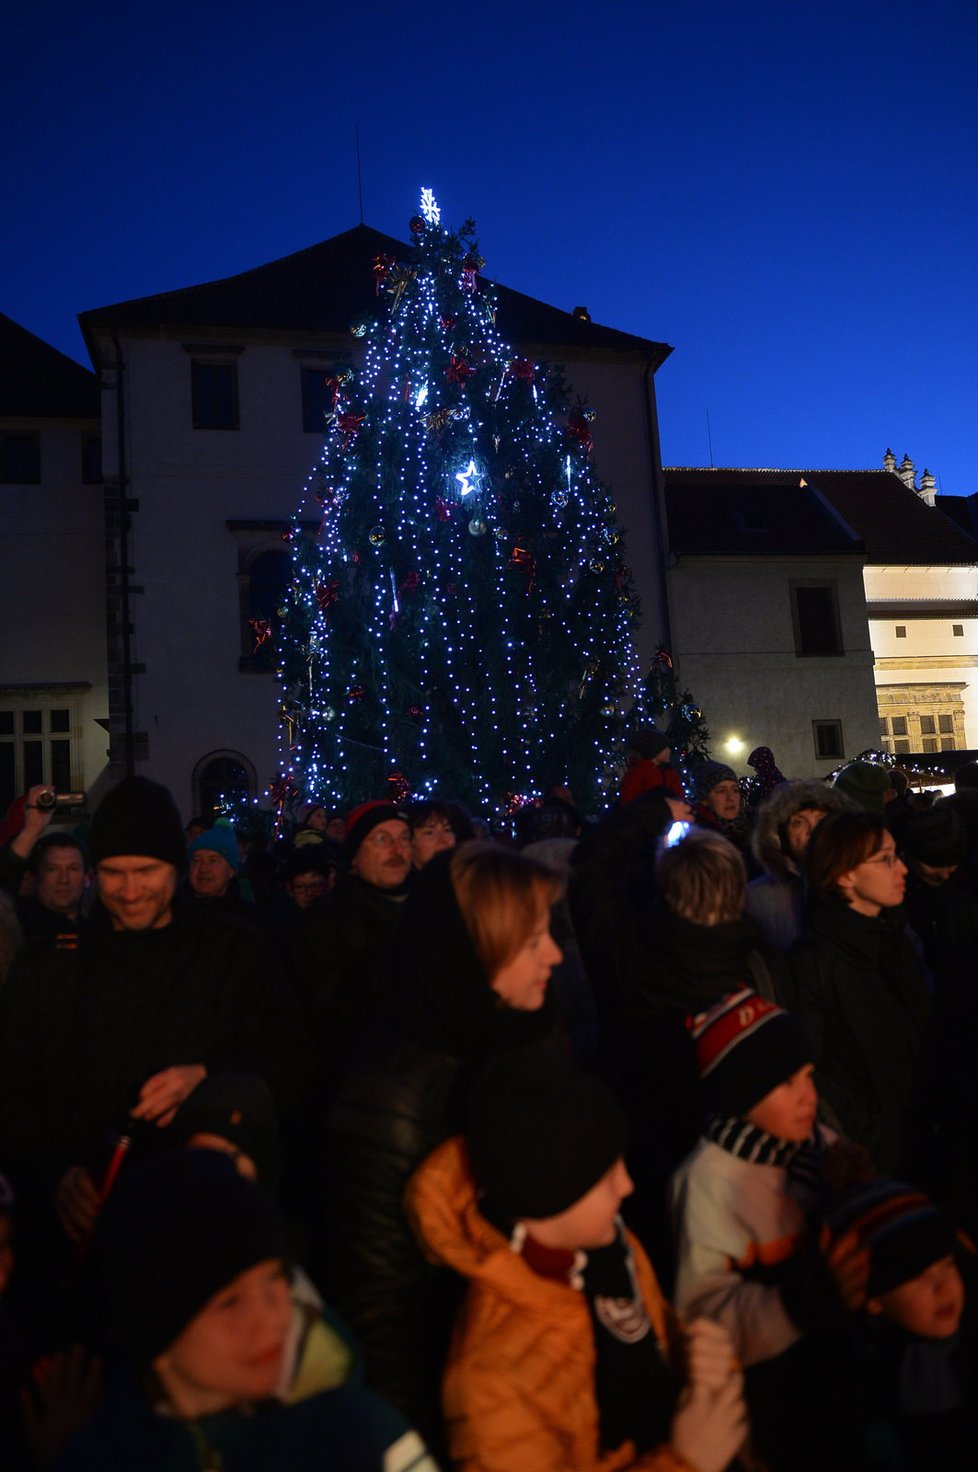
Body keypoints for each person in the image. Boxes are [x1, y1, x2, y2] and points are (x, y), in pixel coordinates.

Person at [0, 776, 310, 1250]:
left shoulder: (234, 951)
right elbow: (15, 1091)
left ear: (175, 869)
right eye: (113, 873)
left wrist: (208, 1078)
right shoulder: (52, 965)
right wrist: (53, 1178)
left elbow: (290, 1062)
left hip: (204, 1223)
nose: (129, 890)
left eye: (145, 871)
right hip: (84, 1235)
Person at [324, 844, 564, 1445]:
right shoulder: (395, 1094)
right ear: (476, 952)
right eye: (533, 942)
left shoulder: (524, 1035)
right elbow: (381, 1310)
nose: (555, 956)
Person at [406, 1058, 747, 1472]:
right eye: (605, 1177)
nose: (627, 1185)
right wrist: (685, 1463)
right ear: (548, 1196)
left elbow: (652, 1340)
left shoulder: (611, 1246)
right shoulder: (489, 1381)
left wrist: (695, 1359)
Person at [56, 1150, 437, 1471]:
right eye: (229, 1302)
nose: (270, 1318)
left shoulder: (359, 1436)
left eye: (275, 1279)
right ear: (155, 1335)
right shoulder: (105, 1451)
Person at [670, 988, 845, 1469]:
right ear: (740, 1094)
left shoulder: (818, 1147)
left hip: (841, 1374)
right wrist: (797, 1302)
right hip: (774, 1399)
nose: (808, 1095)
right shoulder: (705, 1182)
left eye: (808, 1076)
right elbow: (704, 1315)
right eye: (786, 1083)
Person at [788, 810, 933, 1172]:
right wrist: (870, 1136)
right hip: (877, 1159)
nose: (902, 869)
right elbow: (811, 1070)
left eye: (897, 855)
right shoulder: (813, 963)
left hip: (929, 1141)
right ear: (844, 873)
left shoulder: (895, 939)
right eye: (885, 860)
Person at [820, 1175, 978, 1471]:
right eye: (917, 1277)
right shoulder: (868, 1379)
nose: (944, 1287)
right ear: (874, 1300)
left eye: (947, 1266)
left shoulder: (969, 1336)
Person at [292, 800, 413, 1088]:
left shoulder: (430, 909)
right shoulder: (325, 921)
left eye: (404, 839)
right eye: (382, 839)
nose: (397, 850)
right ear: (355, 854)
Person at [745, 778, 850, 949]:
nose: (813, 830)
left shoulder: (861, 882)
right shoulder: (756, 897)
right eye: (798, 823)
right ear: (781, 835)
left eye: (821, 819)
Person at [691, 763, 752, 865]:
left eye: (735, 790)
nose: (730, 797)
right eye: (721, 791)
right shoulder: (697, 841)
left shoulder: (754, 826)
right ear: (704, 799)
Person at [619, 727, 684, 807]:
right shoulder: (644, 771)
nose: (669, 751)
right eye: (665, 748)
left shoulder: (668, 772)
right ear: (654, 751)